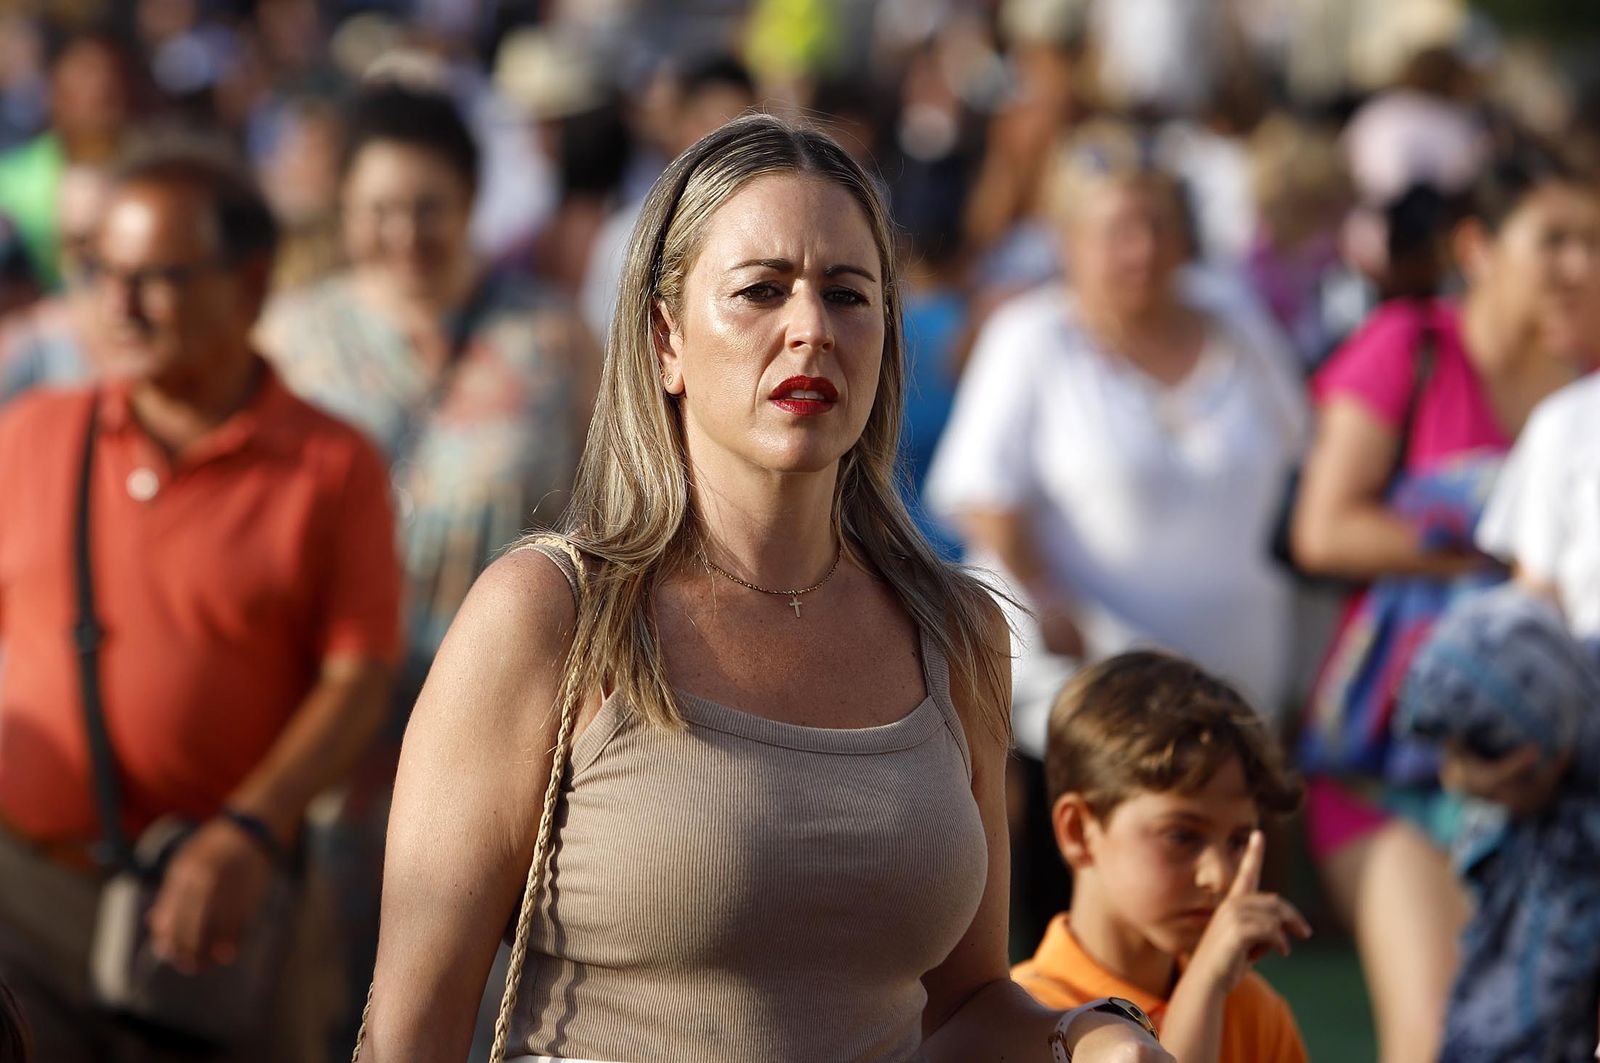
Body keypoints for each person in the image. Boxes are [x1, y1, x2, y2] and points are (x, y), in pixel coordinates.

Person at [357, 114, 1168, 1063]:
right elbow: (409, 1027)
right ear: (665, 340)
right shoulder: (547, 615)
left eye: (847, 293)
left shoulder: (958, 631)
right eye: (761, 290)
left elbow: (962, 1007)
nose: (810, 328)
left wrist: (1093, 1037)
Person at [0, 151, 402, 1062]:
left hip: (217, 912)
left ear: (249, 287)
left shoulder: (331, 466)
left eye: (156, 278)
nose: (119, 303)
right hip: (26, 898)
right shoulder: (31, 435)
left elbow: (358, 677)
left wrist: (250, 830)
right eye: (101, 271)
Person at [256, 80, 596, 1052]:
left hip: (505, 709)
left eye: (428, 208)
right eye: (377, 211)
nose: (403, 233)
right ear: (343, 212)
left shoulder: (549, 335)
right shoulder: (288, 336)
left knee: (483, 992)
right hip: (329, 722)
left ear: (473, 200)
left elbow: (607, 509)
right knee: (319, 992)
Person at [1288, 141, 1600, 1062]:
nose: (1581, 266)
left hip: (1540, 768)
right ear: (1480, 246)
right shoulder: (1410, 345)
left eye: (1597, 243)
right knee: (1431, 1036)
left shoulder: (1583, 389)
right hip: (1393, 758)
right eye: (1557, 239)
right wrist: (1491, 550)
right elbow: (1325, 529)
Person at [928, 118, 1307, 760]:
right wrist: (1055, 603)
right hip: (1094, 703)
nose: (1143, 249)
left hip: (1240, 689)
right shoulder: (1032, 335)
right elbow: (982, 496)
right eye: (1117, 232)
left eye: (1159, 226)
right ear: (1069, 241)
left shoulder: (1236, 321)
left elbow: (1303, 449)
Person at [1015, 651, 1310, 1063]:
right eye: (1182, 836)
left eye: (1239, 840)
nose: (1220, 877)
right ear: (1079, 830)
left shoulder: (1252, 1010)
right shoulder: (1022, 1021)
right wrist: (1203, 988)